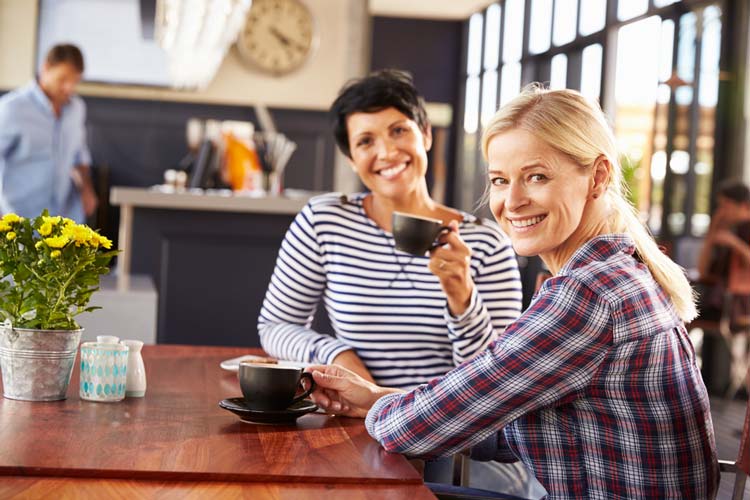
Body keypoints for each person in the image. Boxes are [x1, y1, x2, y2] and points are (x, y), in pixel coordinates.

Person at [305, 85, 719, 499]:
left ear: (598, 176)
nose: (513, 201)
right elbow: (511, 410)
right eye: (500, 180)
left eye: (536, 176)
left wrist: (381, 408)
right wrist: (377, 398)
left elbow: (415, 432)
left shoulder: (587, 294)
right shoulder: (618, 271)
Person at [257, 70, 537, 496]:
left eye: (398, 130)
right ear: (351, 158)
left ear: (425, 135)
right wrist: (338, 354)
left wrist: (461, 295)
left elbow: (493, 382)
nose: (386, 151)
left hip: (450, 445)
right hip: (358, 435)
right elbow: (274, 325)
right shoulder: (325, 219)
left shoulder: (486, 241)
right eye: (365, 141)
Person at [0, 43, 97, 223]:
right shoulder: (11, 109)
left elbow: (79, 154)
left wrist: (87, 189)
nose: (69, 88)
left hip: (63, 220)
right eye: (63, 79)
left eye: (75, 81)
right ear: (46, 68)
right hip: (19, 222)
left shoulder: (77, 109)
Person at [696, 180, 750, 397]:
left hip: (738, 305)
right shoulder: (729, 231)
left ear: (743, 205)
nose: (722, 211)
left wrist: (733, 242)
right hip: (723, 302)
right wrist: (712, 235)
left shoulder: (741, 233)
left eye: (725, 205)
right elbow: (702, 270)